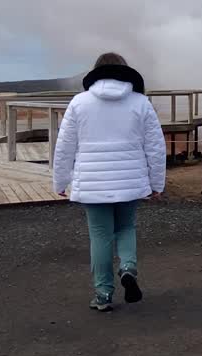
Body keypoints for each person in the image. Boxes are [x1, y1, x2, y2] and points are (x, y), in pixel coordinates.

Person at [52, 53, 166, 312]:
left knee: (100, 235)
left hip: (93, 183)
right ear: (125, 72)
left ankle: (103, 294)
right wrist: (157, 182)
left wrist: (61, 180)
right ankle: (127, 269)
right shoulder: (140, 103)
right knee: (126, 226)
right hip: (130, 180)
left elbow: (65, 147)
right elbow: (156, 147)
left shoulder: (79, 103)